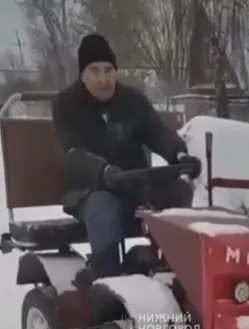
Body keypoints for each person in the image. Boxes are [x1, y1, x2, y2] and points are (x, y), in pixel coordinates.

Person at [52, 33, 202, 278]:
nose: (104, 79)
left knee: (178, 191)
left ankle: (175, 274)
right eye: (95, 70)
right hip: (88, 190)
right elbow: (72, 152)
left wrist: (179, 154)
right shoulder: (66, 104)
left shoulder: (132, 100)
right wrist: (103, 171)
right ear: (82, 74)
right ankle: (107, 280)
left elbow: (157, 132)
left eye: (109, 70)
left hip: (133, 186)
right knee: (104, 205)